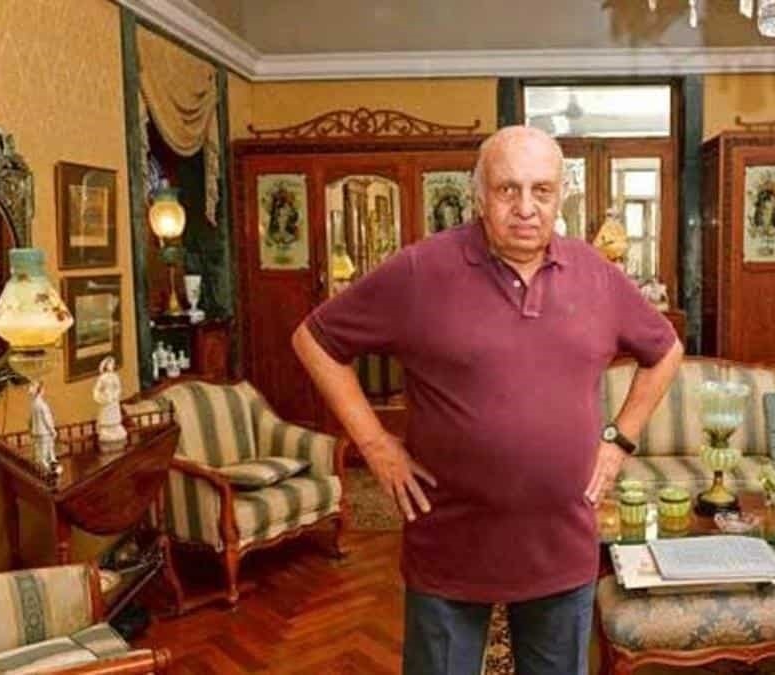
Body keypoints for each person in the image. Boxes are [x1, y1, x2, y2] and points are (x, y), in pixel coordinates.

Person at [291, 125, 682, 675]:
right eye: (507, 189)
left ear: (561, 196)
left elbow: (665, 351)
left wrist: (618, 441)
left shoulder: (598, 274)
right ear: (479, 196)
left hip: (560, 548)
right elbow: (314, 340)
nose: (525, 207)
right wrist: (375, 444)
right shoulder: (420, 270)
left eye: (541, 190)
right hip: (449, 546)